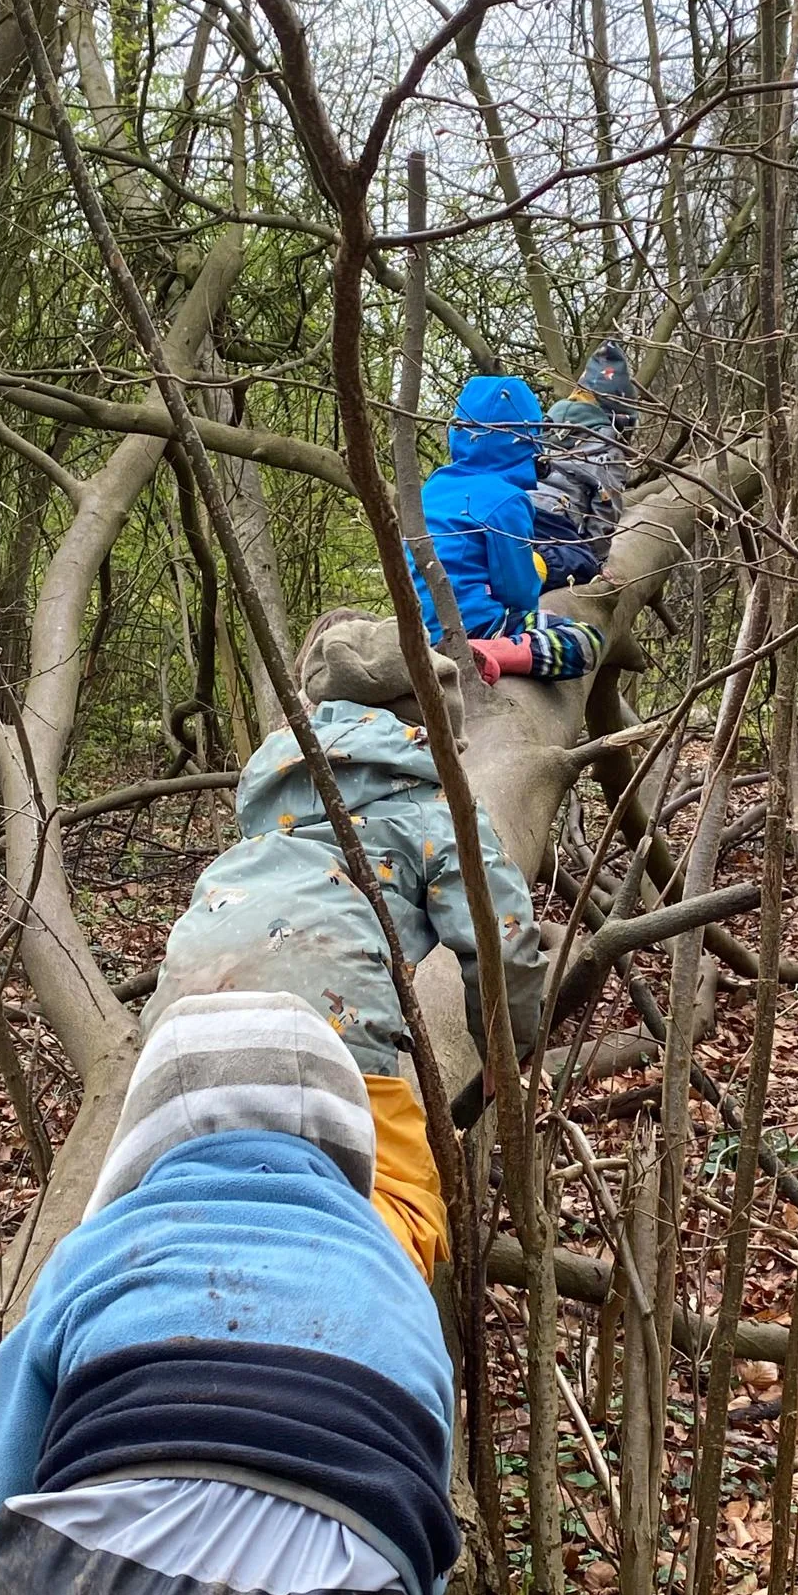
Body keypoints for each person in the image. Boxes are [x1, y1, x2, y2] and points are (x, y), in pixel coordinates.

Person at [0, 990, 459, 1595]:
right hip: (354, 1567)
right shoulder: (397, 1273)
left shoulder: (99, 1247)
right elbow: (428, 1473)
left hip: (109, 1550)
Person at [140, 612, 546, 1083]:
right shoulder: (439, 806)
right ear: (435, 724)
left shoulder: (275, 783)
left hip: (182, 1006)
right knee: (386, 1157)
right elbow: (500, 939)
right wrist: (509, 1052)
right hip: (328, 1019)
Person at [406, 373, 606, 681]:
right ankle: (501, 652)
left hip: (420, 630)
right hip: (476, 627)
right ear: (530, 440)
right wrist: (528, 616)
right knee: (586, 642)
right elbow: (517, 590)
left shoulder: (432, 489)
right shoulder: (508, 500)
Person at [530, 340, 637, 590]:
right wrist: (595, 559)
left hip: (515, 511)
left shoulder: (542, 426)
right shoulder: (606, 446)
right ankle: (537, 567)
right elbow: (605, 506)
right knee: (579, 562)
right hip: (556, 521)